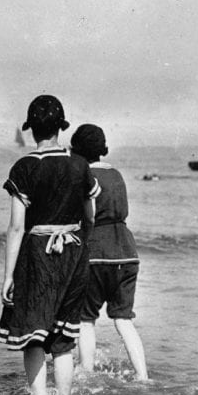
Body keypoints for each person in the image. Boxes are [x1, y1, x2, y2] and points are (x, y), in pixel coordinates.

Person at [0, 96, 100, 395]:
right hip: (73, 252)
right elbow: (90, 216)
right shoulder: (80, 164)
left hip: (37, 254)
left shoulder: (24, 167)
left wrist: (8, 275)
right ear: (60, 127)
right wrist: (78, 244)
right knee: (63, 339)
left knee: (33, 336)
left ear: (31, 129)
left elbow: (16, 227)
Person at [70, 124, 148, 381]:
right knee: (124, 320)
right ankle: (143, 376)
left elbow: (87, 216)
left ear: (77, 150)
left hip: (96, 252)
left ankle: (86, 373)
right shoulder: (117, 174)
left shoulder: (84, 175)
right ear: (102, 148)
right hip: (127, 252)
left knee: (85, 319)